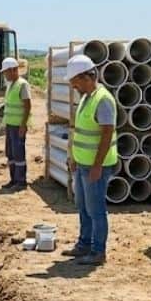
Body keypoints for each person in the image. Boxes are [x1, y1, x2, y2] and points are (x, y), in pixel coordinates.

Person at [62, 55, 117, 266]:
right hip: (82, 164)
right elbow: (82, 131)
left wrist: (97, 166)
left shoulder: (102, 99)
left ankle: (98, 252)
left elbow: (106, 134)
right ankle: (84, 244)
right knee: (83, 206)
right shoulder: (86, 97)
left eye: (75, 81)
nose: (73, 86)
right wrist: (74, 157)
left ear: (86, 76)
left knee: (96, 209)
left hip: (97, 166)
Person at [0, 57, 31, 190]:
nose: (5, 75)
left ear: (13, 70)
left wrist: (23, 125)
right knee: (10, 153)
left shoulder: (22, 84)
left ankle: (21, 181)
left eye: (6, 72)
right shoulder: (11, 85)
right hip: (10, 125)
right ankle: (13, 179)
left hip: (18, 126)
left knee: (18, 153)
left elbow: (27, 105)